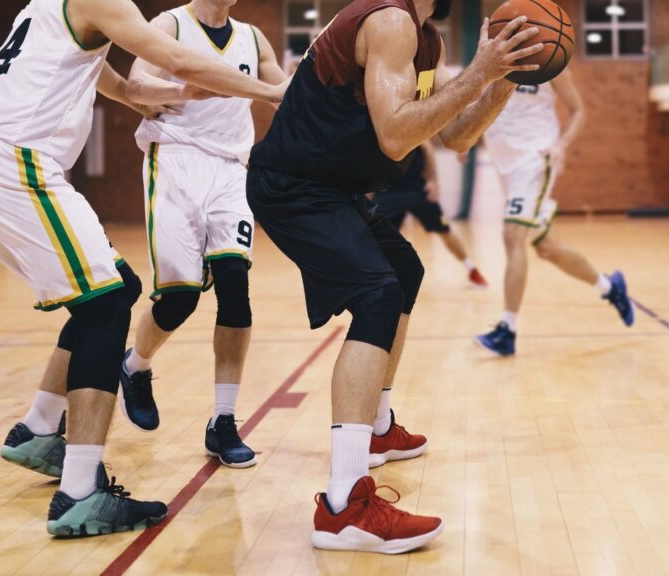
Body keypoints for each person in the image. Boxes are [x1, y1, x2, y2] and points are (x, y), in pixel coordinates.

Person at [0, 0, 284, 537]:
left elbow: (126, 90)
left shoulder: (52, 10)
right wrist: (271, 92)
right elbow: (174, 56)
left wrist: (180, 94)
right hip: (16, 166)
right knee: (109, 303)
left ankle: (39, 429)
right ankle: (79, 492)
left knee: (117, 289)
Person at [245, 0, 542, 552]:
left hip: (331, 189)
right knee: (378, 294)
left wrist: (500, 84)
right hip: (293, 186)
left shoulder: (426, 39)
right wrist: (481, 71)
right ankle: (343, 507)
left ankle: (378, 427)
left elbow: (453, 137)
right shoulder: (389, 22)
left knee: (403, 271)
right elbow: (396, 135)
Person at [115, 0, 286, 469]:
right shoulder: (168, 24)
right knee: (180, 297)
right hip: (174, 160)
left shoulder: (253, 37)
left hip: (232, 169)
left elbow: (281, 88)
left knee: (235, 286)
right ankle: (135, 366)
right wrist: (185, 89)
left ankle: (224, 421)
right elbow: (135, 85)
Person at [475, 69, 634, 357]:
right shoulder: (497, 55)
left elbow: (578, 111)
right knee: (549, 248)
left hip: (534, 158)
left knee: (513, 236)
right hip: (504, 162)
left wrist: (561, 145)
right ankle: (610, 287)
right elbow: (480, 100)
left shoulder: (552, 60)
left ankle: (506, 331)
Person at [373, 141, 488, 288]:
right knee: (377, 237)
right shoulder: (378, 128)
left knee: (444, 230)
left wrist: (433, 181)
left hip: (417, 189)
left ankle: (471, 269)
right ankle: (377, 277)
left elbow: (428, 148)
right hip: (388, 191)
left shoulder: (412, 124)